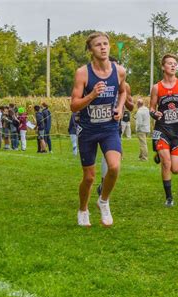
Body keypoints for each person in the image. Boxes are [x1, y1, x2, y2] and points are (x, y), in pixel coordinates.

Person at [70, 31, 127, 227]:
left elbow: (123, 90)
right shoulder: (82, 73)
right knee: (89, 177)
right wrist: (92, 95)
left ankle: (103, 201)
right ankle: (83, 209)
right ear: (91, 50)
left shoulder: (119, 71)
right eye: (98, 45)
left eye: (105, 44)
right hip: (88, 130)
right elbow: (74, 105)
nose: (103, 47)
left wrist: (119, 108)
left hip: (109, 127)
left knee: (114, 166)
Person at [150, 53, 178, 207]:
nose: (173, 65)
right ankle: (169, 198)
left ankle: (160, 153)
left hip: (177, 131)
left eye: (175, 63)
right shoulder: (156, 87)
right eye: (169, 63)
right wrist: (154, 113)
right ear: (163, 67)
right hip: (162, 129)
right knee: (166, 162)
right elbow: (151, 107)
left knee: (176, 169)